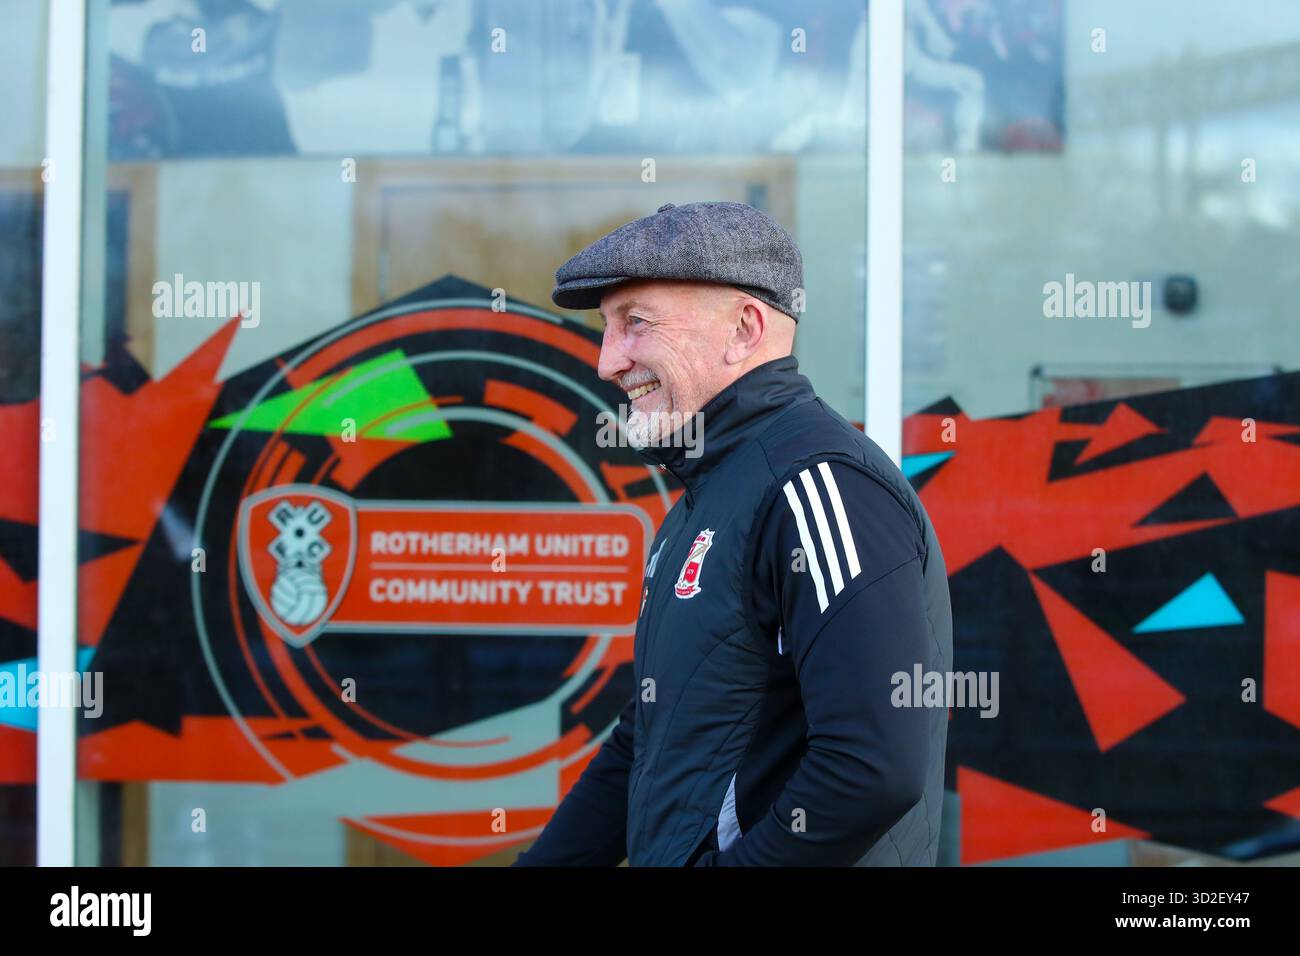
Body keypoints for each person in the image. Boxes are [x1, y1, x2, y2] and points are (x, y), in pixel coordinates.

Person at [513, 201, 953, 866]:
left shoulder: (822, 482)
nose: (607, 361)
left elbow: (871, 768)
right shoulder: (704, 498)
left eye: (635, 323)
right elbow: (647, 739)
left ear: (745, 330)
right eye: (608, 329)